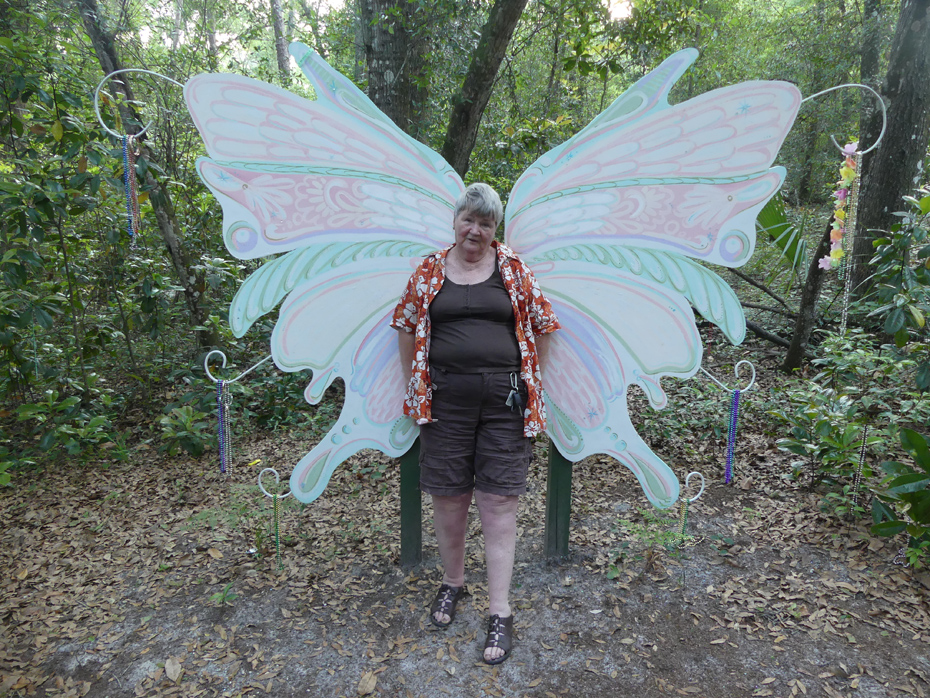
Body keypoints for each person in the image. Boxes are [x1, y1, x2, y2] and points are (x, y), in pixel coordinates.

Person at [391, 182, 560, 665]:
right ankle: (453, 583)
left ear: (495, 230)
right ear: (455, 220)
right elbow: (405, 324)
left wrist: (532, 382)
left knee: (499, 501)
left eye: (486, 223)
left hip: (505, 402)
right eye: (470, 219)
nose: (476, 229)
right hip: (444, 400)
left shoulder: (513, 269)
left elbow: (543, 325)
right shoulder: (429, 270)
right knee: (449, 498)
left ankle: (500, 610)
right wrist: (414, 383)